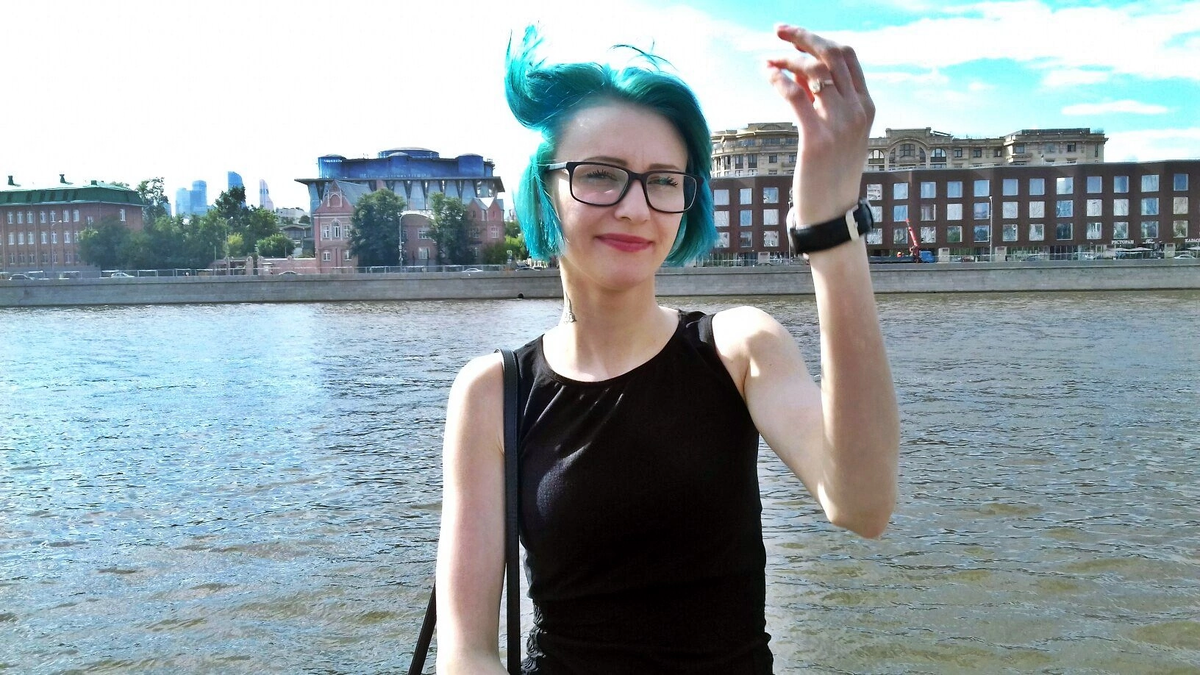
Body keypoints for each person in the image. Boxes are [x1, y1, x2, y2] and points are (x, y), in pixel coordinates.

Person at [435, 23, 899, 674]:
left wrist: (830, 222)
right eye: (601, 175)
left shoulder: (738, 349)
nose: (635, 207)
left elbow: (863, 503)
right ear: (544, 190)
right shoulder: (493, 392)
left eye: (662, 181)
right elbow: (467, 651)